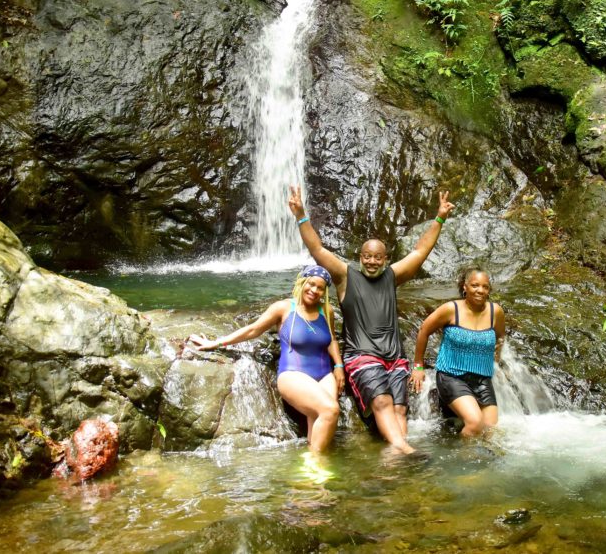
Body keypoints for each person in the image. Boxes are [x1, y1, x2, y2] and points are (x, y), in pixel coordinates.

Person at [287, 185, 454, 455]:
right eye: (367, 257)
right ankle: (404, 448)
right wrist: (301, 216)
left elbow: (419, 252)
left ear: (386, 260)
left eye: (378, 257)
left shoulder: (392, 276)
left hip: (395, 357)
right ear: (360, 257)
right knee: (382, 401)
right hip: (362, 356)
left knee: (400, 407)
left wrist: (440, 218)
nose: (372, 262)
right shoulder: (345, 277)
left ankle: (393, 459)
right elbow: (317, 248)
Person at [188, 265, 345, 454]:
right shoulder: (284, 308)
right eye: (311, 284)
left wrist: (338, 365)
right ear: (301, 282)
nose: (314, 290)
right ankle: (315, 464)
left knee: (319, 417)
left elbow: (331, 340)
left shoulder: (325, 310)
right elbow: (253, 330)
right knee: (330, 410)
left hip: (324, 374)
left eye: (320, 288)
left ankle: (312, 477)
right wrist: (217, 343)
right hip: (294, 374)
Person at [409, 268, 505, 437]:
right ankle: (465, 460)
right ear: (464, 287)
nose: (480, 290)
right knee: (475, 424)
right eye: (475, 285)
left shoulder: (495, 312)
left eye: (485, 287)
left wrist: (497, 356)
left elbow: (501, 336)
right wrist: (418, 366)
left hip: (482, 379)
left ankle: (484, 463)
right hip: (452, 377)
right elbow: (424, 330)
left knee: (492, 431)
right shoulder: (451, 309)